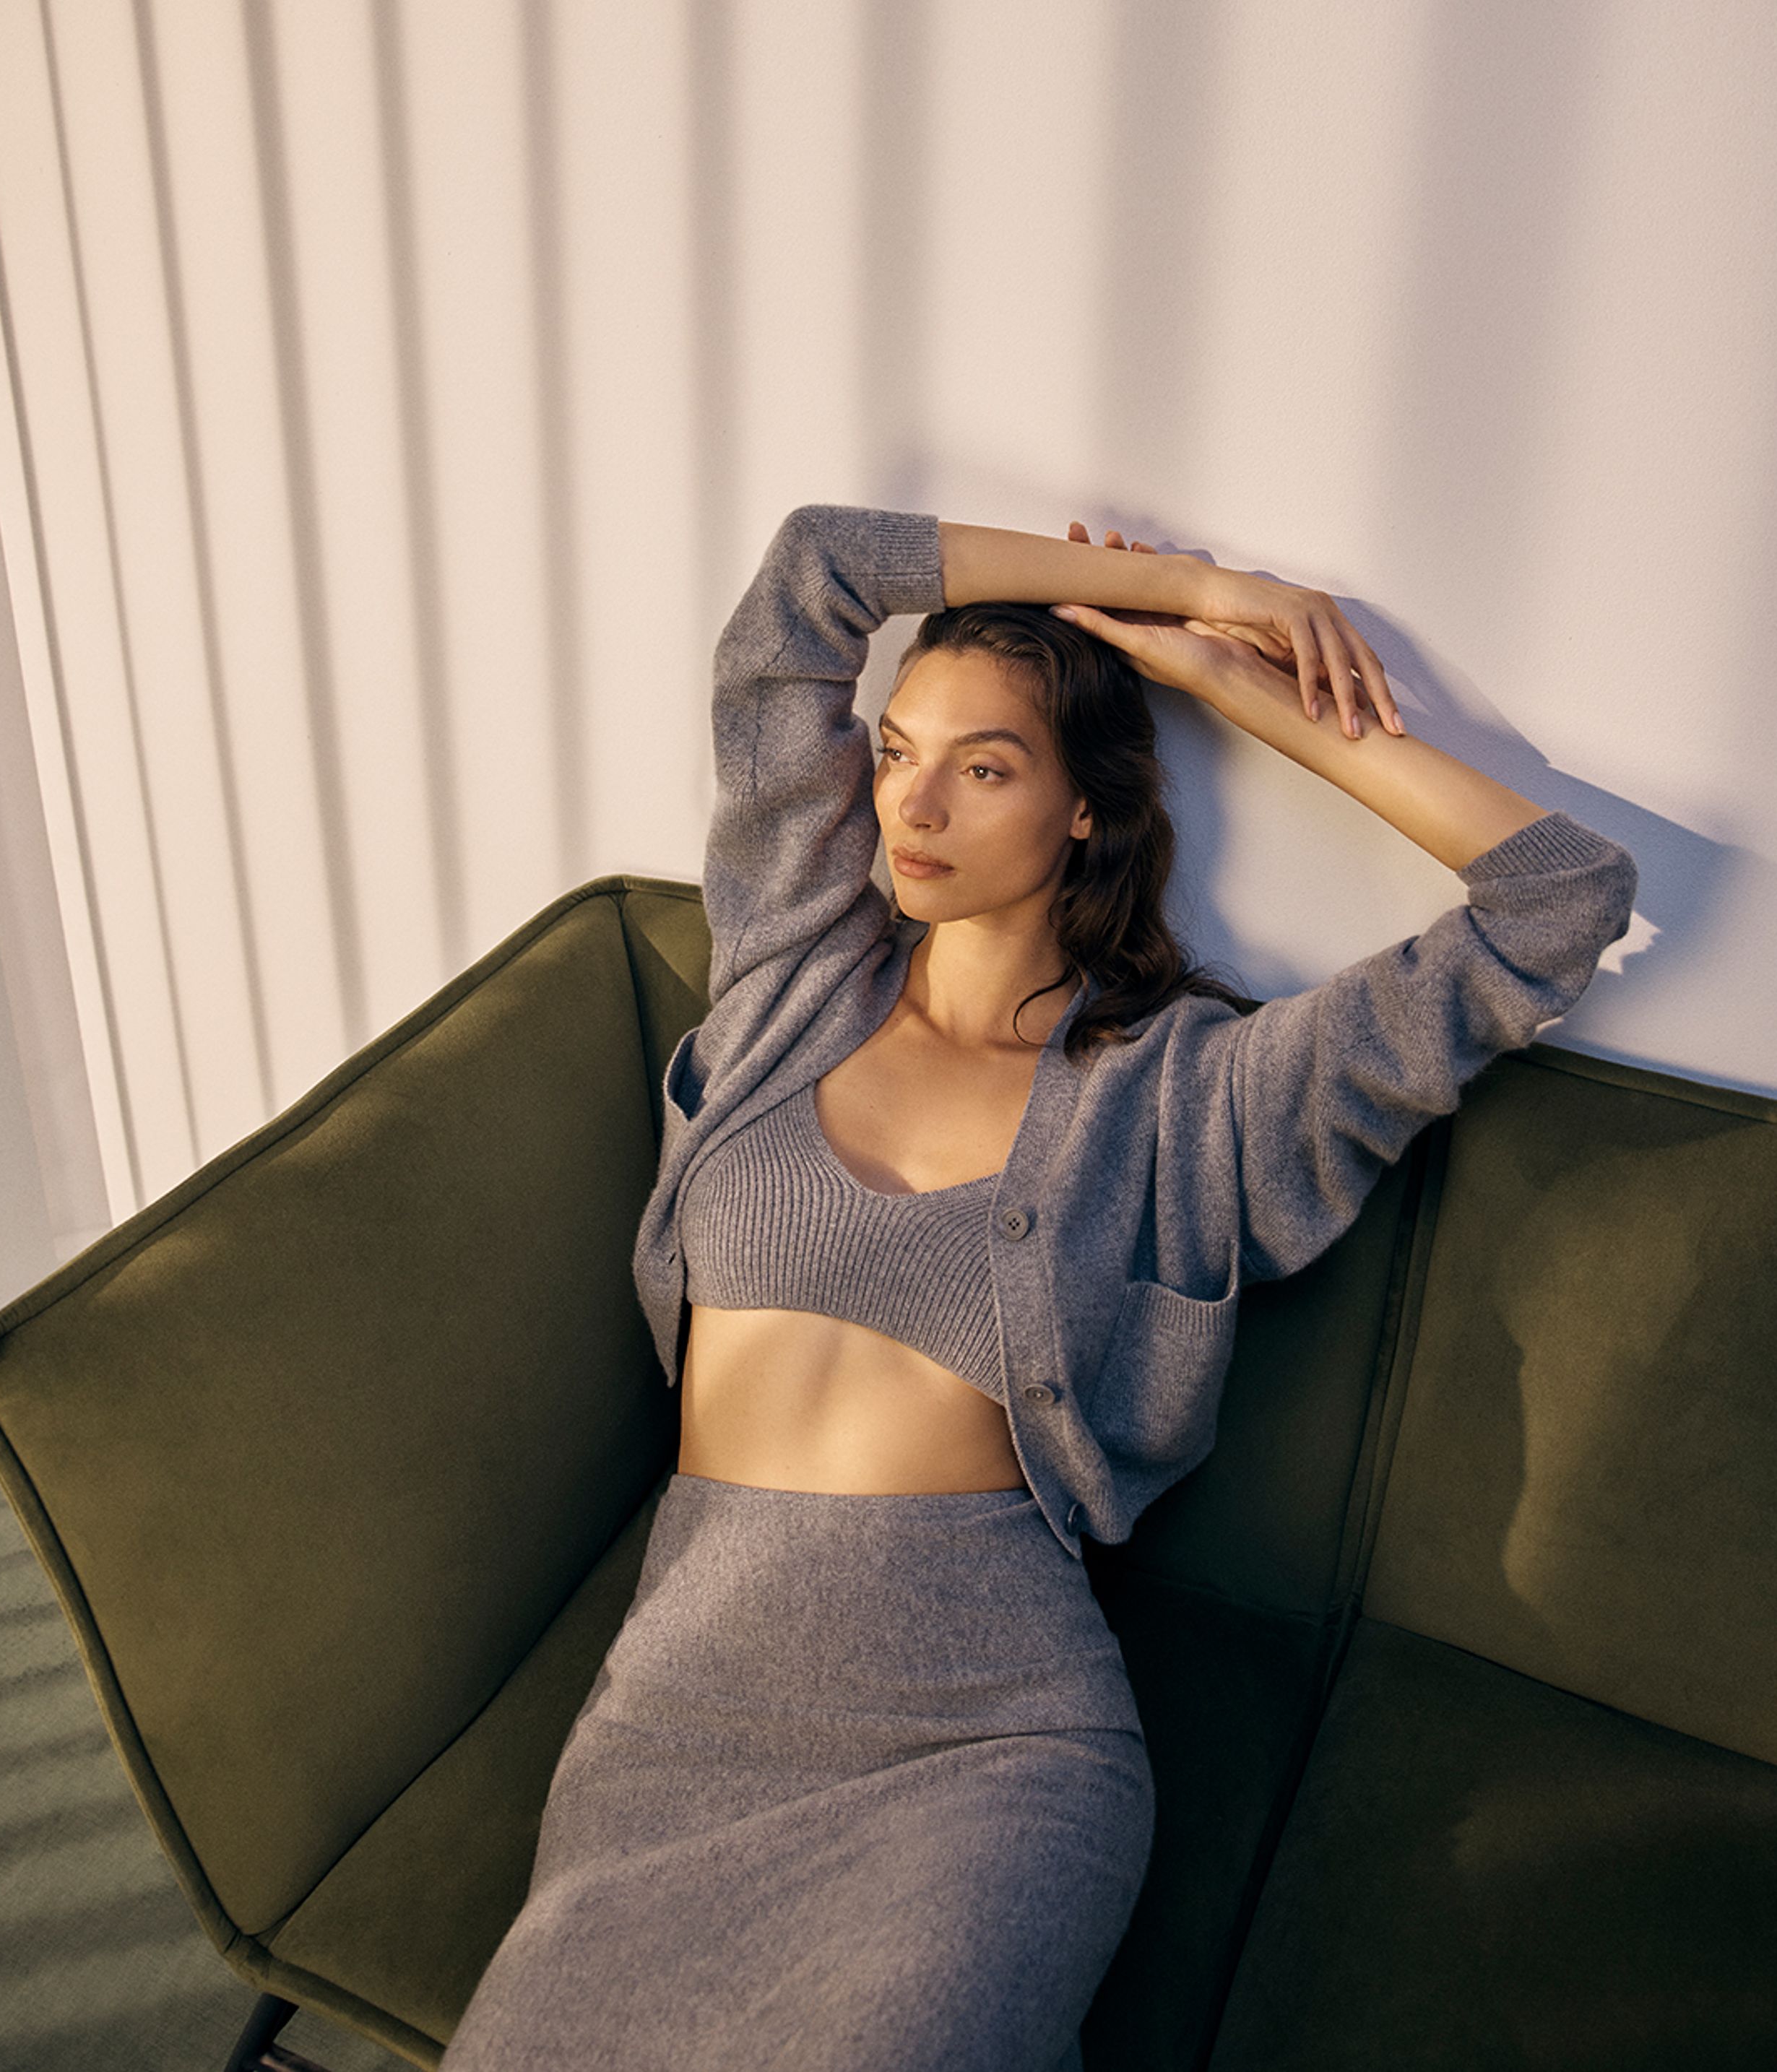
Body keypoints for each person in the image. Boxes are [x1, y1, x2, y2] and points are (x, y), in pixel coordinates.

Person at [440, 504, 1638, 2072]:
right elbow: (811, 575)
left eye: (986, 767)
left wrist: (1234, 686)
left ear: (1085, 809)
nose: (910, 806)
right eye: (895, 752)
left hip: (983, 1739)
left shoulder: (1193, 1101)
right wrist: (1189, 583)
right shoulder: (794, 970)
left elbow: (1557, 898)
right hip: (676, 1722)